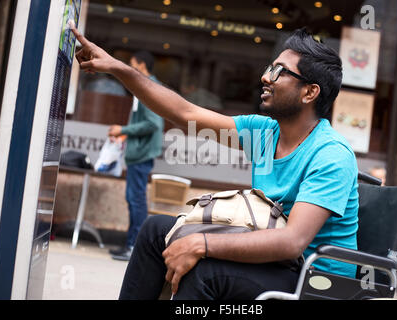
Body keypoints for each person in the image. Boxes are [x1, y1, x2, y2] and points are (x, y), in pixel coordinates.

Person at [71, 24, 359, 299]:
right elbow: (185, 115)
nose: (266, 77)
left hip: (317, 282)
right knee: (155, 231)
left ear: (310, 92)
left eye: (279, 72)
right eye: (271, 68)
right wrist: (118, 68)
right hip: (281, 262)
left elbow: (291, 241)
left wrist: (202, 244)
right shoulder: (264, 133)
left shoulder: (331, 154)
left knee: (206, 271)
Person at [108, 50, 164, 261]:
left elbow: (153, 123)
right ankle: (131, 245)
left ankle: (134, 247)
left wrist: (123, 130)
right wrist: (125, 136)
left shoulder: (147, 87)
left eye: (132, 65)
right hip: (139, 153)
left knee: (136, 200)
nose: (130, 69)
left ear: (141, 65)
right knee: (134, 200)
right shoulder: (145, 86)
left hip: (141, 154)